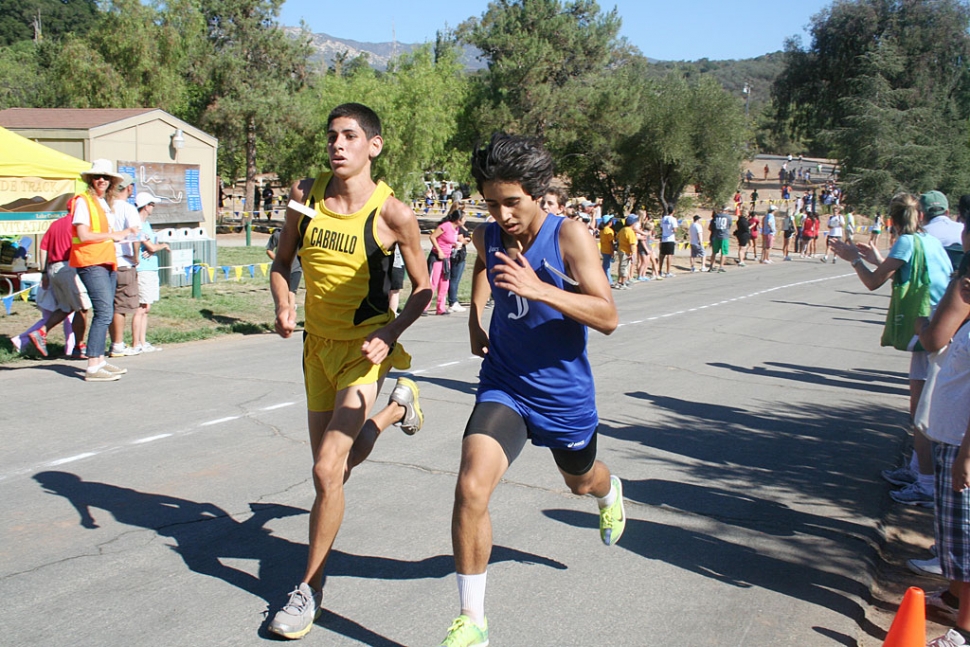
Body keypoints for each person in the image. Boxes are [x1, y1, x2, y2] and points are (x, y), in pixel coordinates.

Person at [437, 133, 624, 647]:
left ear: (538, 192)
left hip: (563, 397)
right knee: (472, 486)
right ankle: (472, 619)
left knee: (580, 482)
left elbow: (608, 316)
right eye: (492, 203)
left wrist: (541, 288)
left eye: (512, 202)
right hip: (505, 384)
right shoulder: (488, 233)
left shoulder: (571, 238)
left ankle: (609, 493)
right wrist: (475, 319)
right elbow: (480, 261)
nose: (502, 215)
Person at [266, 103, 432, 640]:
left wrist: (391, 332)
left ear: (373, 147)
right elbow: (281, 260)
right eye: (332, 136)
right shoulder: (306, 197)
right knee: (331, 470)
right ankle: (395, 411)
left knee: (325, 470)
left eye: (350, 136)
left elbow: (424, 287)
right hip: (316, 347)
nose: (338, 145)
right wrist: (284, 302)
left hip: (365, 350)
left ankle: (308, 589)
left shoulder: (394, 214)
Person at [830, 193, 953, 509]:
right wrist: (875, 258)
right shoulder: (928, 241)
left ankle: (926, 484)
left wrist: (854, 258)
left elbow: (873, 283)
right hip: (940, 328)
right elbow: (908, 270)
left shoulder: (906, 242)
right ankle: (917, 471)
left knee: (920, 414)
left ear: (893, 222)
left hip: (926, 331)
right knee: (923, 408)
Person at [71, 159, 140, 382]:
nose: (102, 180)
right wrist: (116, 235)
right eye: (98, 177)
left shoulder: (104, 203)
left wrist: (125, 235)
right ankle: (92, 365)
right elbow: (83, 235)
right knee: (103, 313)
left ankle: (99, 360)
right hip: (91, 262)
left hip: (106, 261)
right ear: (91, 180)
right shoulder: (84, 202)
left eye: (106, 177)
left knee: (107, 311)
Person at [18, 213, 89, 358]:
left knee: (66, 307)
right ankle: (78, 346)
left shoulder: (56, 224)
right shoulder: (79, 223)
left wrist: (44, 272)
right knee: (82, 307)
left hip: (53, 268)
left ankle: (41, 332)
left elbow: (43, 248)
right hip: (68, 267)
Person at [108, 174, 143, 358]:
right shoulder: (129, 209)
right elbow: (135, 235)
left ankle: (114, 341)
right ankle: (118, 344)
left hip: (106, 260)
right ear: (129, 188)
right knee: (121, 306)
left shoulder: (106, 208)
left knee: (109, 304)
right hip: (123, 261)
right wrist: (136, 256)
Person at [132, 193, 168, 353]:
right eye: (152, 204)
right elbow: (151, 246)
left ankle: (143, 341)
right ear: (146, 206)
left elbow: (151, 247)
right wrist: (162, 246)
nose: (153, 207)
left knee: (147, 307)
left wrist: (154, 248)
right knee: (141, 307)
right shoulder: (138, 224)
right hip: (143, 269)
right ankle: (136, 343)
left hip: (151, 267)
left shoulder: (147, 224)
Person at [428, 208, 463, 315]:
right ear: (458, 219)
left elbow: (448, 241)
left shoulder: (456, 229)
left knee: (444, 283)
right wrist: (439, 250)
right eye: (464, 219)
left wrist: (455, 245)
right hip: (437, 257)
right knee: (433, 282)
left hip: (446, 258)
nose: (465, 221)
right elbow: (432, 237)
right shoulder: (446, 226)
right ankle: (424, 306)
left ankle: (441, 308)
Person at [266, 225, 302, 318]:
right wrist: (278, 261)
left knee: (291, 293)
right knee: (282, 295)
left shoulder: (300, 235)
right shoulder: (278, 234)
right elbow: (269, 250)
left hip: (296, 269)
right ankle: (283, 315)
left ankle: (290, 316)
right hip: (282, 270)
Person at [447, 203, 471, 313]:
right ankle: (453, 301)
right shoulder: (457, 228)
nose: (465, 219)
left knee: (455, 278)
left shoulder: (459, 227)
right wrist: (467, 240)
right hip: (457, 255)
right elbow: (461, 240)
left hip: (460, 254)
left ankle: (452, 300)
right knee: (454, 279)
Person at [615, 214, 638, 287]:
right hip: (626, 251)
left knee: (621, 265)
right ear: (633, 223)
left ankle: (619, 281)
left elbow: (617, 237)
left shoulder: (623, 229)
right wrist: (632, 254)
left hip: (621, 249)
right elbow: (632, 244)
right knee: (625, 266)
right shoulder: (630, 232)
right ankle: (623, 283)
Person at [707, 207, 732, 273]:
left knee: (714, 252)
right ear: (726, 211)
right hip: (724, 236)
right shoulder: (728, 217)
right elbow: (729, 226)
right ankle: (721, 266)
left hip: (716, 235)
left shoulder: (716, 216)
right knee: (723, 252)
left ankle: (711, 266)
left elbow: (712, 226)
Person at [658, 207, 678, 277]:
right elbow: (675, 229)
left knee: (662, 255)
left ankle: (659, 270)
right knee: (669, 255)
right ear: (673, 211)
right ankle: (668, 271)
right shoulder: (673, 219)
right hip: (670, 238)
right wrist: (672, 231)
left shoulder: (663, 218)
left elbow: (661, 228)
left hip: (664, 239)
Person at [598, 215, 616, 285]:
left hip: (603, 249)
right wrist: (612, 251)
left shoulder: (602, 230)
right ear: (609, 222)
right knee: (607, 267)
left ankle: (606, 279)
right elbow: (611, 242)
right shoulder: (609, 230)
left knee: (605, 265)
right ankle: (609, 281)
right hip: (608, 250)